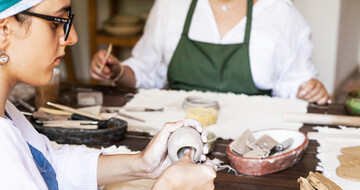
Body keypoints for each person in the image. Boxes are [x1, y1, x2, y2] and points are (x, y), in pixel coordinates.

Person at [0, 0, 216, 190]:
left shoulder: (7, 111)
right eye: (56, 23)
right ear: (4, 30)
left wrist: (143, 164)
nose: (72, 37)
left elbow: (44, 169)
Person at [90, 0, 329, 105]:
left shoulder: (278, 12)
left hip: (252, 143)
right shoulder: (171, 5)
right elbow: (145, 68)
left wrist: (310, 90)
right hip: (178, 134)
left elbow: (296, 84)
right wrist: (119, 71)